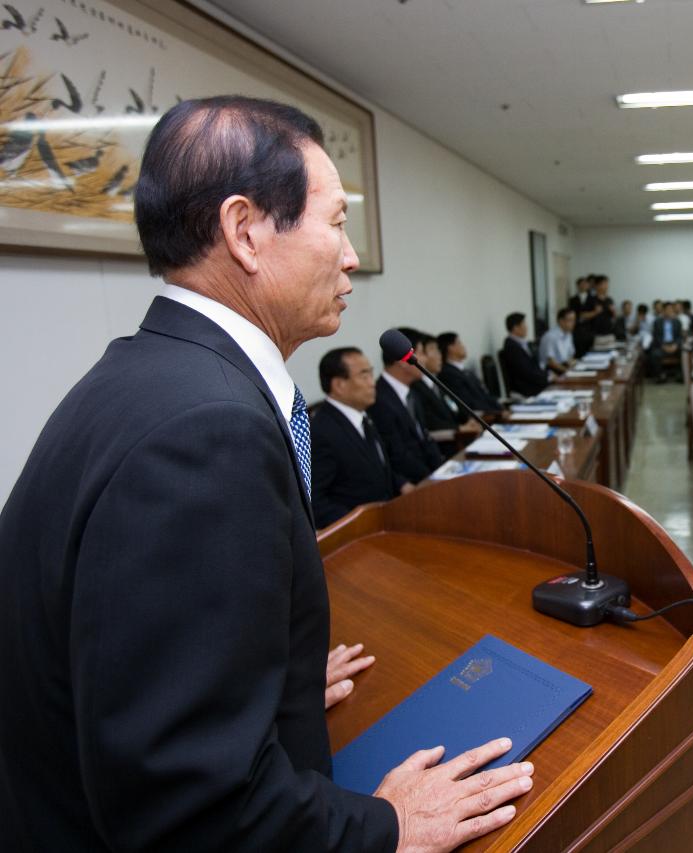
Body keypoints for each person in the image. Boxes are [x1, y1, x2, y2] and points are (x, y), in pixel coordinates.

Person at [0, 95, 532, 850]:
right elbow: (193, 809)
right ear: (245, 231)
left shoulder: (145, 375)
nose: (351, 257)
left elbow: (132, 653)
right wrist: (391, 825)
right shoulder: (205, 433)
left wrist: (250, 684)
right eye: (337, 223)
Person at [311, 347, 410, 528]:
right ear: (339, 385)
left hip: (388, 514)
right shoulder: (321, 431)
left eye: (371, 374)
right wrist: (362, 523)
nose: (372, 383)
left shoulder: (362, 416)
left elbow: (378, 465)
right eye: (364, 376)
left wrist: (403, 485)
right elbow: (315, 501)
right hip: (362, 531)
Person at [371, 331, 448, 483]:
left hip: (432, 475)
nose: (425, 359)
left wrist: (441, 470)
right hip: (410, 484)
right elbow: (397, 455)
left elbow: (424, 436)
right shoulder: (378, 399)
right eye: (420, 352)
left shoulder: (412, 392)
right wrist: (431, 478)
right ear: (402, 360)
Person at [437, 331, 503, 413]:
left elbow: (483, 395)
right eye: (459, 343)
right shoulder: (447, 373)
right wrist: (497, 412)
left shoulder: (465, 371)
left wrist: (500, 407)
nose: (463, 346)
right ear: (450, 348)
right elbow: (468, 402)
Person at [500, 311, 549, 398]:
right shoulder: (511, 347)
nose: (527, 328)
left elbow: (534, 366)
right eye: (524, 325)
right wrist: (547, 377)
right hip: (526, 388)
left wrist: (547, 375)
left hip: (534, 383)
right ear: (516, 328)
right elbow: (527, 372)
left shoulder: (522, 343)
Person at [648, 301, 684, 382]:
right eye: (667, 309)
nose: (670, 311)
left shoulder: (677, 322)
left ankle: (680, 375)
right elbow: (656, 336)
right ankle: (660, 376)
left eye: (671, 309)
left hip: (674, 345)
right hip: (662, 346)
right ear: (663, 311)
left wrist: (676, 345)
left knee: (684, 353)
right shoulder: (657, 322)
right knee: (655, 354)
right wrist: (663, 346)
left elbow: (679, 337)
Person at [539, 307, 576, 375]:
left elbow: (570, 356)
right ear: (561, 321)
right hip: (551, 372)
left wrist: (573, 366)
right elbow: (551, 362)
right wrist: (568, 371)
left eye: (574, 320)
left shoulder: (568, 334)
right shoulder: (550, 336)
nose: (573, 323)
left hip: (563, 367)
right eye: (570, 320)